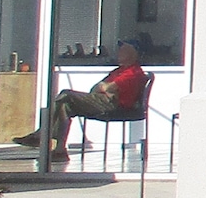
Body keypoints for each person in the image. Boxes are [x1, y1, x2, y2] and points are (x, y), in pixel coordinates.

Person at [16, 42, 147, 168]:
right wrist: (103, 88)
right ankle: (59, 149)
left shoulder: (132, 72)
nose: (118, 53)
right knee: (65, 106)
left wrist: (104, 88)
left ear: (130, 55)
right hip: (104, 100)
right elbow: (96, 88)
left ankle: (42, 135)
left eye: (122, 51)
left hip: (115, 106)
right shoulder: (118, 70)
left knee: (66, 95)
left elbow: (106, 87)